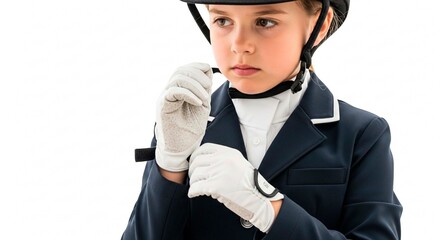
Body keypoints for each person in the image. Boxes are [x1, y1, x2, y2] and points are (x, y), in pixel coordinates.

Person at [121, 0, 403, 239]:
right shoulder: (181, 125)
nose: (239, 45)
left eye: (265, 22)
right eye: (222, 20)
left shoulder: (363, 134)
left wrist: (270, 206)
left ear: (320, 24)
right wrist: (170, 167)